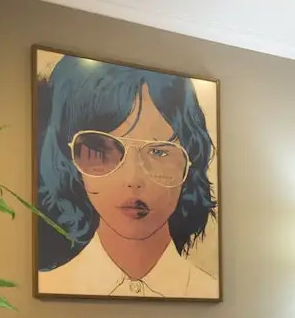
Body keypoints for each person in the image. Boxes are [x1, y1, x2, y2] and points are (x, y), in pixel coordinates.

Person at [36, 55, 218, 299]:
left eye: (159, 152)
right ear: (69, 157)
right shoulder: (53, 285)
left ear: (190, 162)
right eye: (103, 150)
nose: (133, 179)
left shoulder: (206, 290)